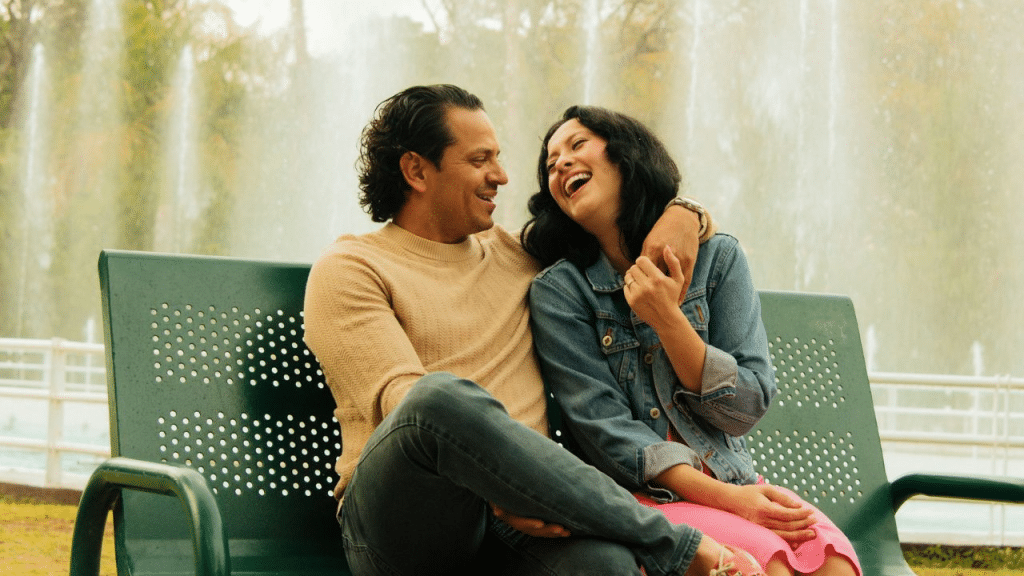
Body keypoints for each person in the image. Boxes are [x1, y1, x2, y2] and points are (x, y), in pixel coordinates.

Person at [303, 84, 763, 576]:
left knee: (606, 566)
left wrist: (685, 212)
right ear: (416, 170)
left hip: (523, 517)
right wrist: (498, 480)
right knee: (436, 399)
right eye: (480, 160)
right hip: (409, 523)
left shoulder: (521, 255)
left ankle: (659, 548)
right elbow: (403, 405)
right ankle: (679, 547)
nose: (501, 177)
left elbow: (606, 223)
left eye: (498, 159)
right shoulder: (352, 267)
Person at [522, 105, 862, 576]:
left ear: (626, 155)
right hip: (637, 499)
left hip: (735, 478)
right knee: (767, 569)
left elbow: (745, 406)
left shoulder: (718, 259)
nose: (560, 163)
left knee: (834, 567)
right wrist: (735, 503)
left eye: (577, 145)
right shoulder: (560, 293)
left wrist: (667, 319)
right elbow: (607, 434)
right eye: (550, 162)